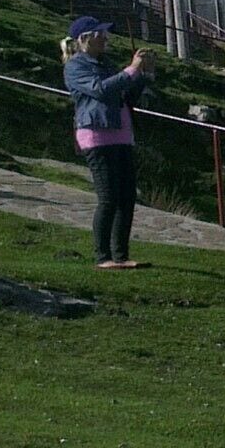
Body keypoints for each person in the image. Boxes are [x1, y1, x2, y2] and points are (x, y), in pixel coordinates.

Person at [61, 16, 152, 270]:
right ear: (84, 39)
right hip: (96, 135)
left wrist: (143, 75)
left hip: (121, 134)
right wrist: (131, 70)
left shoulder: (107, 64)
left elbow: (124, 95)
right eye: (100, 34)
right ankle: (103, 257)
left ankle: (121, 256)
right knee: (109, 197)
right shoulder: (76, 67)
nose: (105, 38)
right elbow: (100, 90)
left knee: (126, 197)